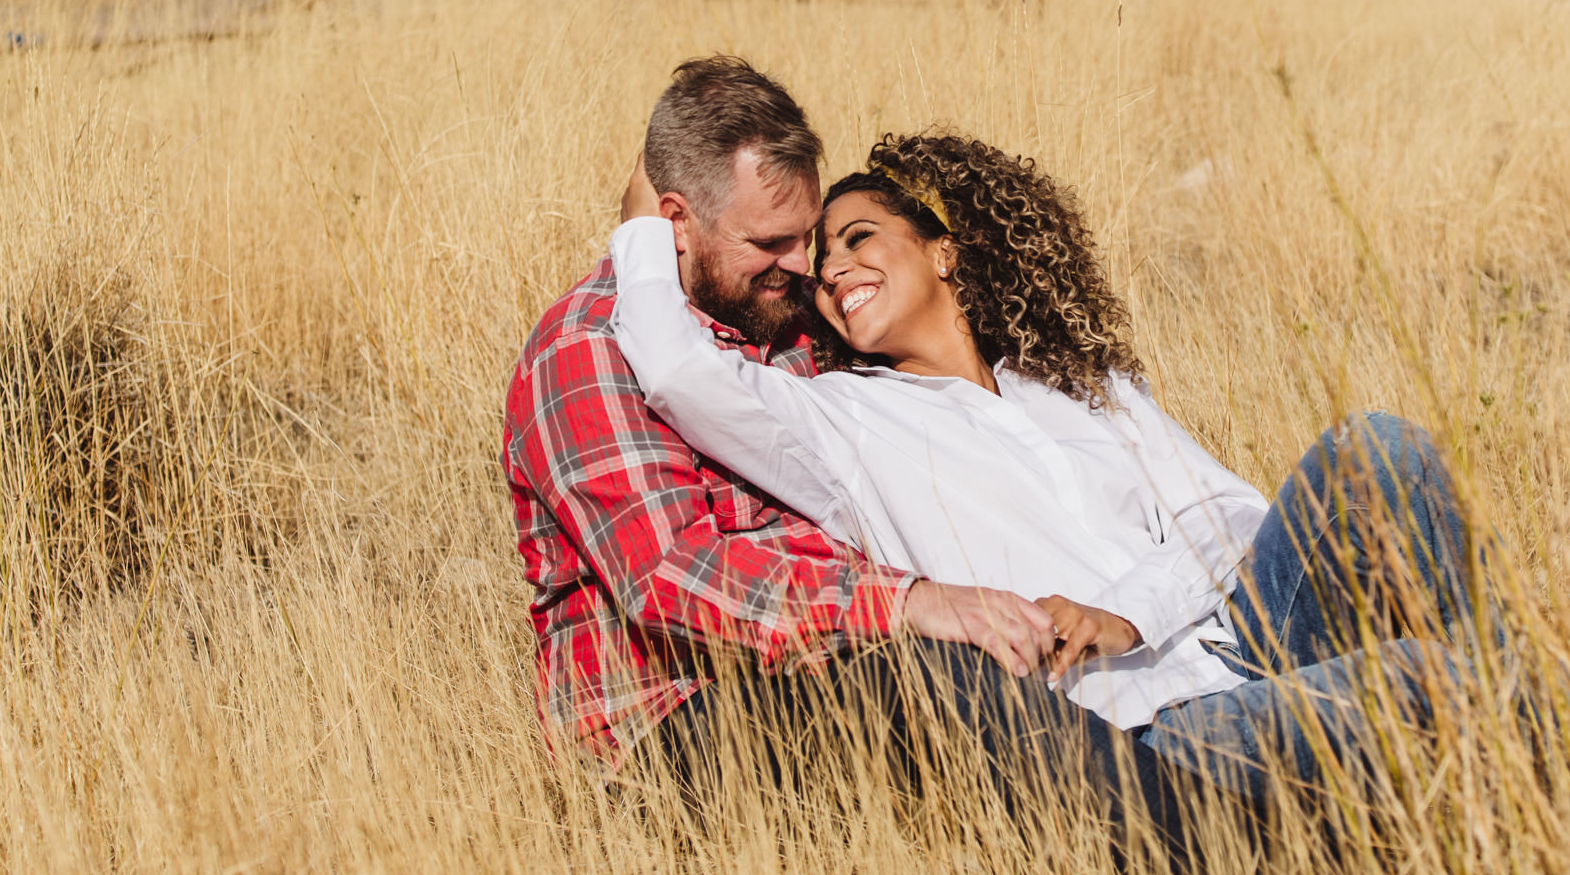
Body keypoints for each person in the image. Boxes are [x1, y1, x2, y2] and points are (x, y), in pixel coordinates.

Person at [606, 129, 1511, 833]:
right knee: (1437, 677)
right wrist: (648, 226)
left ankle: (1496, 746)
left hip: (1249, 637)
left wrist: (1127, 612)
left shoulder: (1081, 387)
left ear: (945, 252)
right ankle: (1545, 735)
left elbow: (1234, 515)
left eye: (859, 237)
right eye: (821, 258)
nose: (830, 268)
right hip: (1163, 726)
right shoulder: (843, 422)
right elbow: (682, 375)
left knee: (1381, 450)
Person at [501, 57, 1073, 777]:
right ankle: (1223, 848)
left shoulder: (794, 317)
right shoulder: (585, 350)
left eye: (807, 234)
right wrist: (907, 604)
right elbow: (672, 577)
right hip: (674, 720)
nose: (804, 265)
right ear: (673, 222)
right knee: (952, 689)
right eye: (769, 243)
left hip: (840, 660)